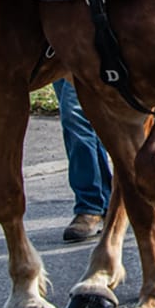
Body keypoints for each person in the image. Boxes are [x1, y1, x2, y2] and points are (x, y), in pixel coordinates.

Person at [53, 79, 111, 242]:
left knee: (74, 113)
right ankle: (106, 202)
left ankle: (90, 206)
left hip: (83, 53)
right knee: (88, 119)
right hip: (57, 55)